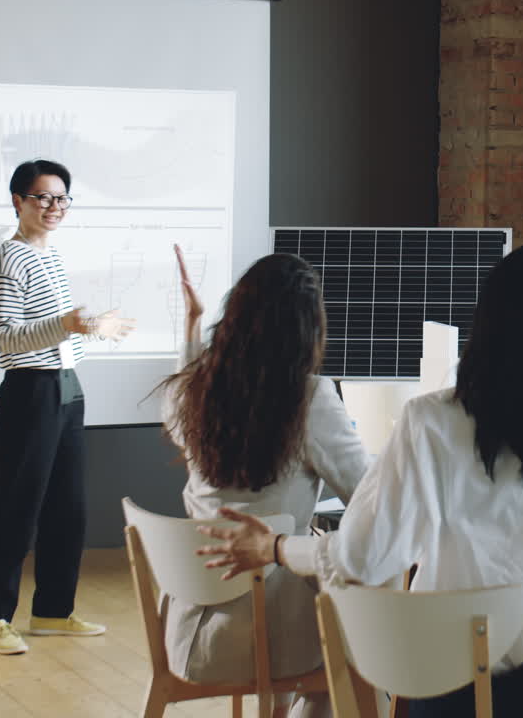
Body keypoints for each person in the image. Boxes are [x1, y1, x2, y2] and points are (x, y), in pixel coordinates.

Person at [197, 242, 523, 718]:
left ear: (486, 326)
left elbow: (360, 560)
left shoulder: (427, 420)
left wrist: (278, 547)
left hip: (440, 694)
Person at [159, 246, 368, 718]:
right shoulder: (310, 396)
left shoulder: (192, 390)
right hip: (274, 636)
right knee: (365, 644)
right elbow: (371, 495)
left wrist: (192, 325)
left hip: (193, 636)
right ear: (306, 329)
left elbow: (178, 401)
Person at [0, 159, 135, 654]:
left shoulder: (51, 258)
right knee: (17, 510)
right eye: (42, 197)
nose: (53, 207)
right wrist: (68, 324)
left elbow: (57, 331)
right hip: (29, 392)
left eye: (61, 198)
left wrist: (90, 330)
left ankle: (52, 612)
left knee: (69, 508)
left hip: (66, 388)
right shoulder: (9, 258)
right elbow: (6, 340)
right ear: (18, 201)